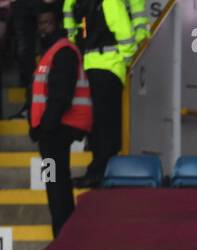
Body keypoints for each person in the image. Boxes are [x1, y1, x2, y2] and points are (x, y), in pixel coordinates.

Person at [29, 2, 91, 237]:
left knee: (58, 188)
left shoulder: (62, 51)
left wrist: (45, 127)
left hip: (57, 134)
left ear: (57, 24)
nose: (43, 28)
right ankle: (62, 240)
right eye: (41, 24)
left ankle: (63, 240)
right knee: (54, 187)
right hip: (50, 135)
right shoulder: (50, 52)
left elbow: (61, 96)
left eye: (48, 23)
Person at [64, 0, 133, 188]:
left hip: (108, 66)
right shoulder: (87, 4)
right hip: (92, 67)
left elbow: (125, 34)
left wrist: (124, 62)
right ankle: (98, 171)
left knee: (105, 125)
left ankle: (101, 172)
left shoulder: (109, 2)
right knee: (96, 124)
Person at [11, 0, 43, 119]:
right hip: (21, 5)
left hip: (42, 5)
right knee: (24, 53)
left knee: (50, 47)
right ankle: (30, 104)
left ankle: (40, 104)